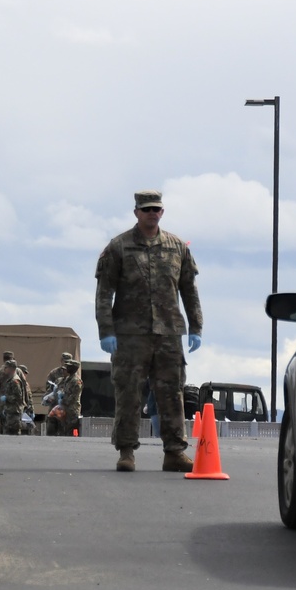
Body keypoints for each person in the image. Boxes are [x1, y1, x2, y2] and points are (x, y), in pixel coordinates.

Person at [95, 189, 203, 473]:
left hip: (168, 334)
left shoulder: (177, 247)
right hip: (130, 336)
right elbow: (104, 294)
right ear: (136, 213)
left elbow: (189, 290)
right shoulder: (118, 247)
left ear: (162, 212)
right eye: (146, 209)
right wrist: (106, 331)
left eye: (156, 209)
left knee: (172, 393)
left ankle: (174, 452)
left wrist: (196, 327)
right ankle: (126, 451)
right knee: (129, 394)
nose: (152, 213)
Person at [46, 359, 82, 437]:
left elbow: (73, 397)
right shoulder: (67, 379)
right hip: (64, 409)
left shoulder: (76, 381)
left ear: (73, 368)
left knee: (70, 431)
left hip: (71, 410)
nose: (67, 368)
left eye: (69, 366)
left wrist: (62, 400)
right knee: (62, 430)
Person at [0, 350, 17, 434]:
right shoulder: (17, 372)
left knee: (4, 429)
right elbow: (24, 389)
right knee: (15, 430)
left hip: (3, 405)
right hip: (16, 405)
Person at [0, 359, 27, 435]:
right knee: (7, 433)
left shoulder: (15, 381)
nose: (4, 369)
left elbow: (18, 397)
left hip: (14, 412)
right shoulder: (10, 379)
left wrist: (6, 398)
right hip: (10, 411)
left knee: (13, 434)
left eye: (6, 367)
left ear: (11, 368)